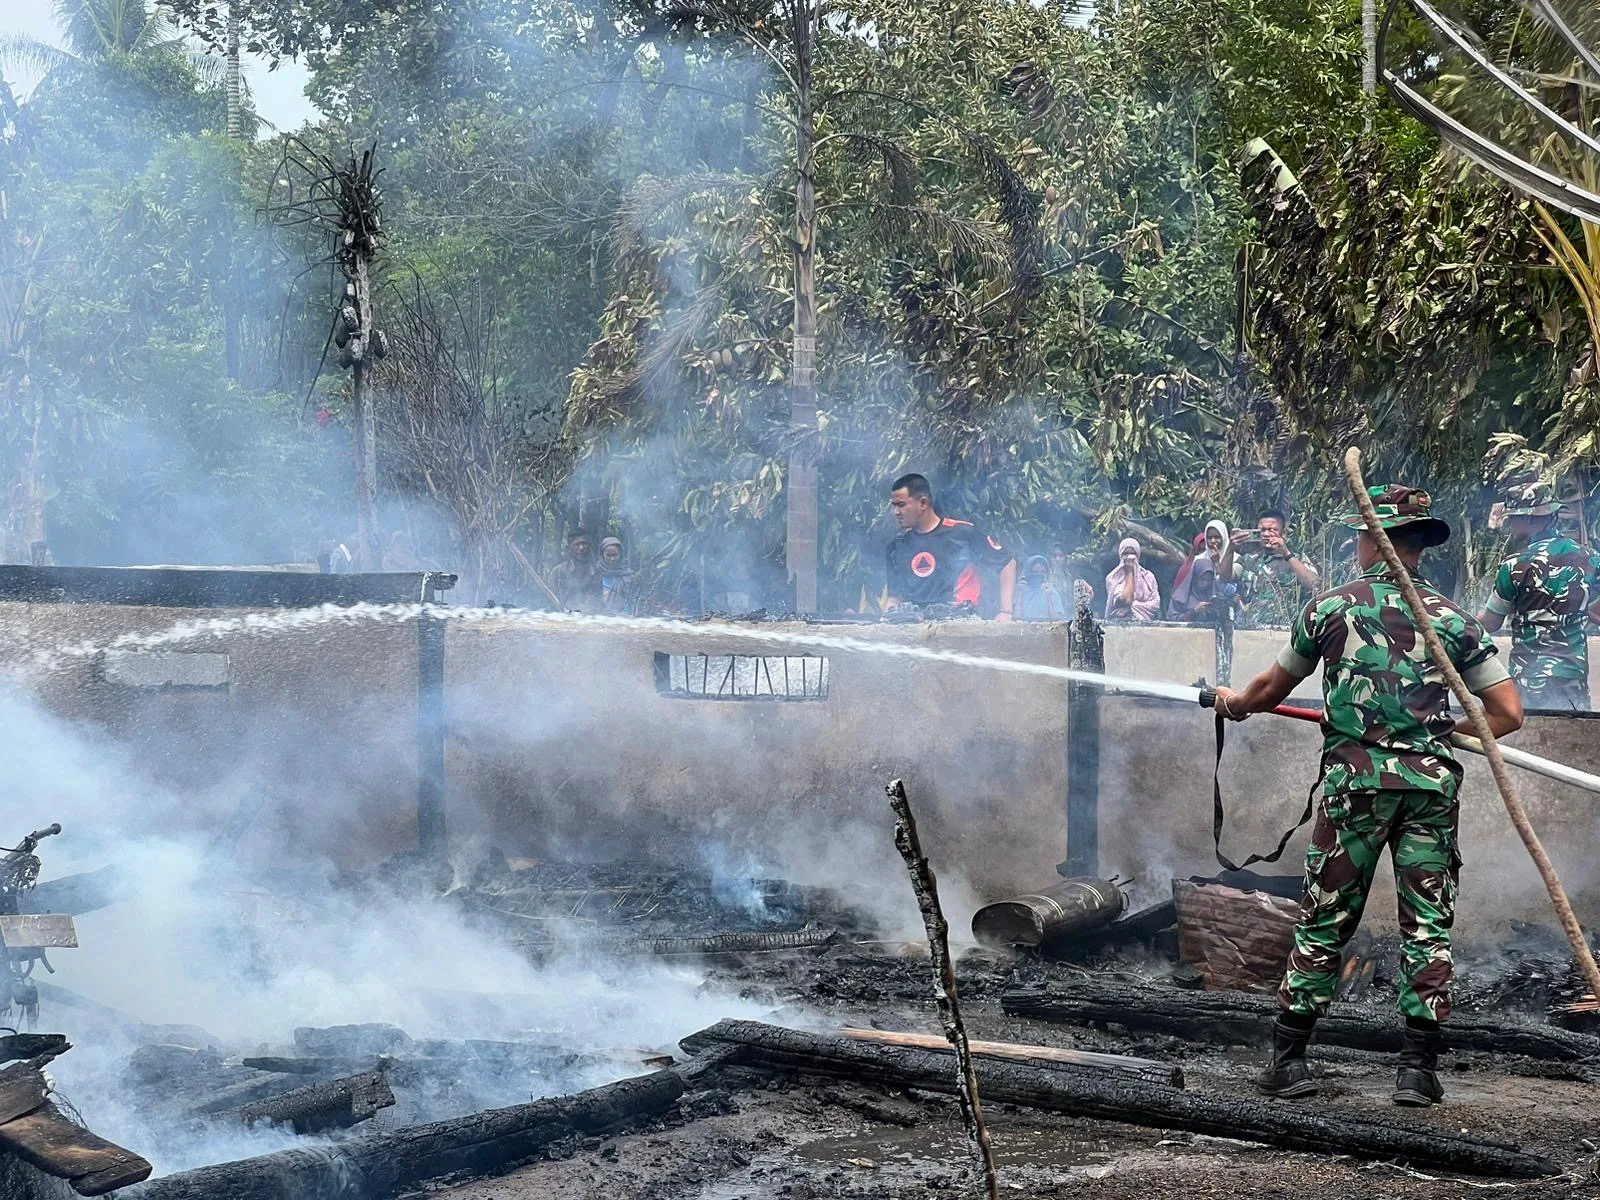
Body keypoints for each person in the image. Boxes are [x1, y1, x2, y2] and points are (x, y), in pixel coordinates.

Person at [1213, 484, 1523, 1109]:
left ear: (1372, 542)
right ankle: (1418, 1072)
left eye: (1359, 535)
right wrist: (1437, 733)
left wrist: (1234, 704)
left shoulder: (1332, 609)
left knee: (1327, 915)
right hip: (1430, 791)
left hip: (1355, 789)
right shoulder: (1456, 622)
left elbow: (1272, 686)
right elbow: (1508, 713)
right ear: (1416, 547)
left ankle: (1288, 1060)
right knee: (1428, 925)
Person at [1477, 482, 1600, 712]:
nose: (1509, 523)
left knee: (1531, 742)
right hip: (1573, 675)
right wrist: (1587, 610)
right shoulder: (1590, 558)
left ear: (1533, 518)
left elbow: (1491, 623)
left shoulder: (1514, 566)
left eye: (1513, 517)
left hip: (1529, 678)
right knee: (1575, 740)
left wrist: (1453, 622)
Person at [885, 474, 1017, 618]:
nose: (896, 512)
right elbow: (894, 596)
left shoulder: (963, 533)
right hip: (916, 628)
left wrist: (1005, 612)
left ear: (923, 503)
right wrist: (888, 617)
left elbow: (1007, 563)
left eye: (901, 505)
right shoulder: (896, 546)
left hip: (960, 624)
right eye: (894, 506)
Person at [1234, 510, 1321, 627]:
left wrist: (1286, 553)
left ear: (1283, 533)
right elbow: (1224, 576)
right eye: (1262, 530)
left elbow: (1314, 583)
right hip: (1250, 629)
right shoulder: (1248, 560)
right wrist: (1230, 547)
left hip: (1285, 629)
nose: (1266, 534)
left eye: (1272, 530)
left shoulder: (1297, 559)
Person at [1167, 520, 1237, 622]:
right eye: (1209, 538)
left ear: (1224, 537)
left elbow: (1227, 586)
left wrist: (1217, 564)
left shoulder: (1235, 560)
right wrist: (1194, 611)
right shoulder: (1198, 561)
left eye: (1217, 537)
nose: (1213, 541)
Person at [1103, 538, 1160, 621]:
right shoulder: (1113, 578)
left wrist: (1131, 608)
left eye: (1132, 553)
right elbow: (1126, 600)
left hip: (1147, 627)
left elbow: (1155, 605)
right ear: (1120, 555)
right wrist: (1129, 572)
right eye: (1125, 554)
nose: (1129, 557)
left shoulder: (1148, 577)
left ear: (1138, 555)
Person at [547, 529, 600, 609]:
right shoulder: (557, 573)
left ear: (589, 546)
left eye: (584, 543)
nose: (581, 548)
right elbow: (550, 602)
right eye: (577, 544)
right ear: (568, 548)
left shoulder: (597, 572)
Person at [1017, 555, 1069, 620]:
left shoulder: (1051, 591)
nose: (1039, 575)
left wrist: (1049, 597)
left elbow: (1058, 620)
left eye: (1043, 572)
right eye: (1035, 572)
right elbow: (1017, 618)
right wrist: (1020, 594)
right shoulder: (1021, 590)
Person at [597, 536, 636, 614]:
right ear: (602, 555)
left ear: (621, 554)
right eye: (608, 555)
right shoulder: (596, 575)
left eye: (615, 555)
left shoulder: (629, 576)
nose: (612, 559)